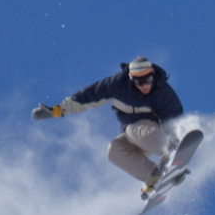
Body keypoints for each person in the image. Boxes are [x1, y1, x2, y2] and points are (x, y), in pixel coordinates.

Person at [32, 56, 184, 195]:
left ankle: (169, 153)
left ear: (152, 74)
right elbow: (87, 96)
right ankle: (153, 176)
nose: (145, 85)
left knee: (132, 130)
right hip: (137, 136)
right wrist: (58, 110)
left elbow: (175, 120)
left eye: (148, 79)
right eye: (140, 81)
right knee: (114, 150)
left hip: (155, 133)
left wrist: (174, 147)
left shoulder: (162, 91)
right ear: (131, 78)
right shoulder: (117, 85)